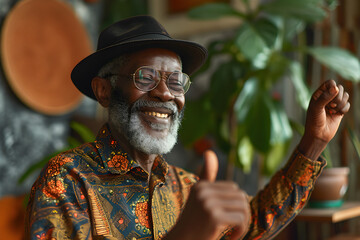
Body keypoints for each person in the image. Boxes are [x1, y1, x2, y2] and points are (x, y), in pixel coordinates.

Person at [25, 15, 350, 240]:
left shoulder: (185, 188)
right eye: (146, 77)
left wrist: (314, 141)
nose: (165, 93)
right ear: (104, 91)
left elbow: (251, 227)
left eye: (176, 81)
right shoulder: (66, 183)